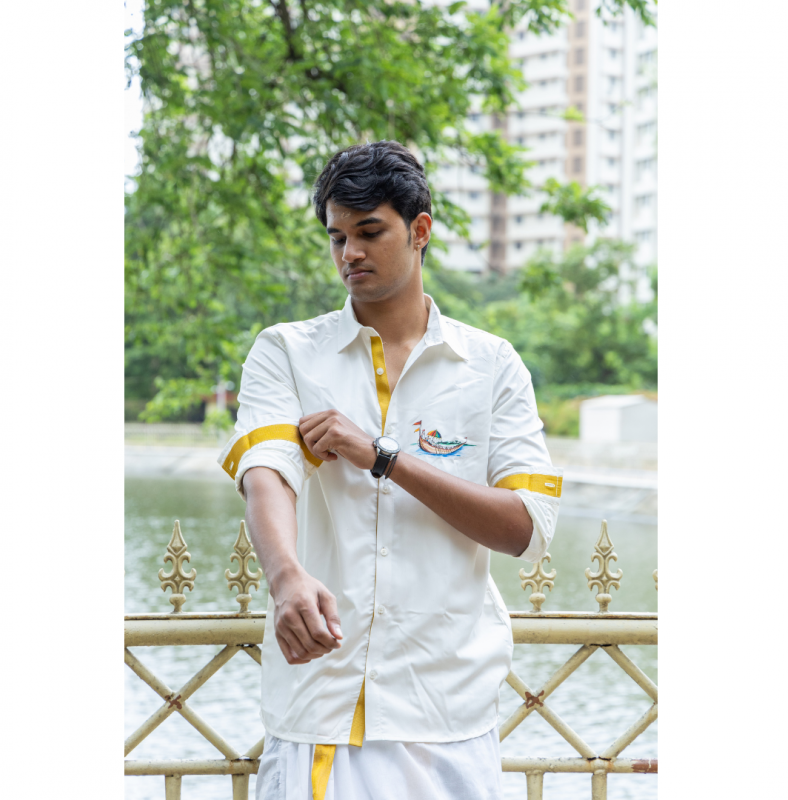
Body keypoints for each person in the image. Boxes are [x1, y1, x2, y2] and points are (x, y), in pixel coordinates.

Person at [217, 141, 562, 800]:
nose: (350, 252)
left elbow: (527, 529)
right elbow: (267, 472)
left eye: (369, 232)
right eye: (337, 236)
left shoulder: (491, 366)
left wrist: (383, 458)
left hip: (449, 712)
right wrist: (286, 577)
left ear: (420, 230)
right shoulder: (286, 350)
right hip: (322, 704)